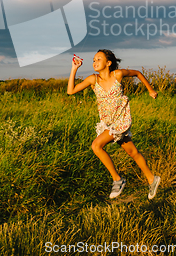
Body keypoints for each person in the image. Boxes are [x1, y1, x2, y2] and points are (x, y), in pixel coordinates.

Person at [67, 49, 161, 200]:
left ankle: (118, 179)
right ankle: (152, 178)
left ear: (108, 63)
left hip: (121, 120)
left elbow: (137, 73)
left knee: (96, 146)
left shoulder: (117, 75)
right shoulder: (93, 80)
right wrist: (74, 69)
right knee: (133, 152)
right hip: (108, 122)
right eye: (93, 60)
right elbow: (71, 91)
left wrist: (150, 90)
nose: (94, 62)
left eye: (98, 59)